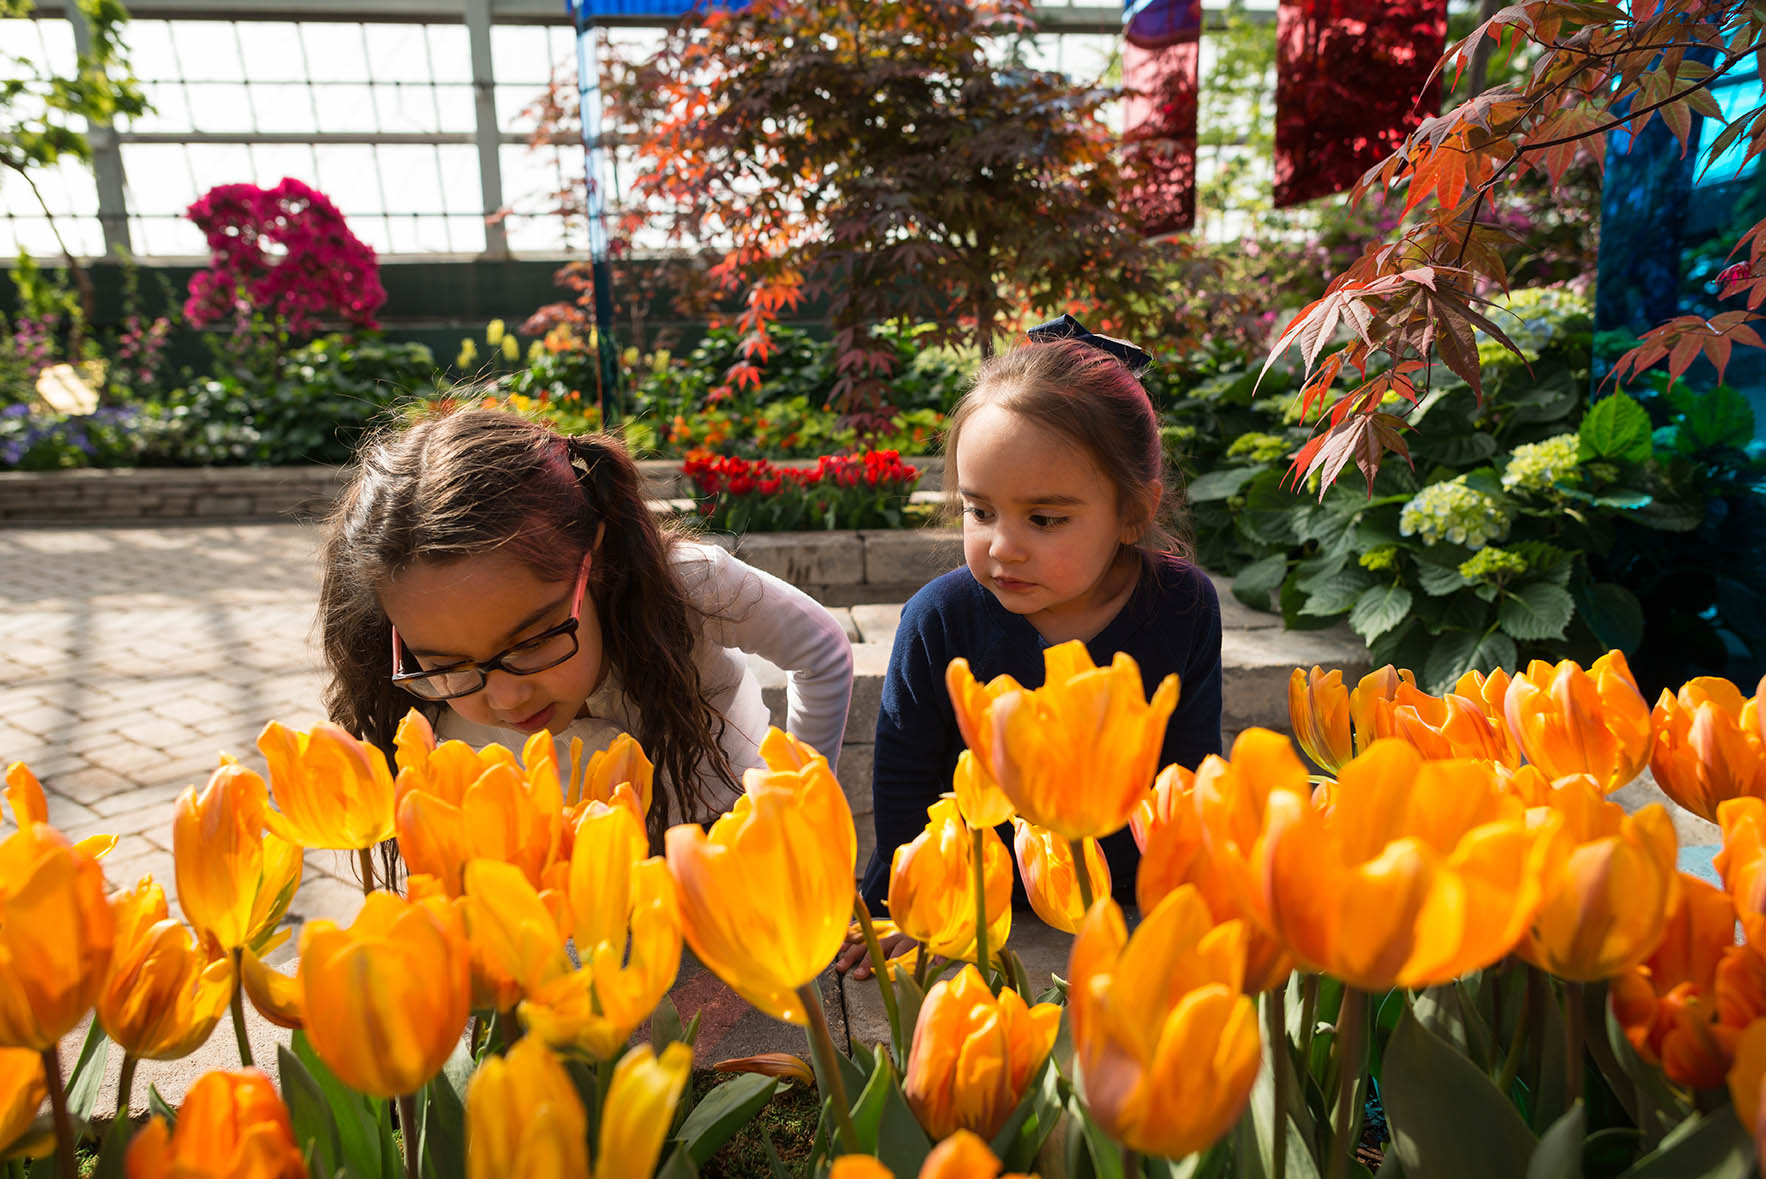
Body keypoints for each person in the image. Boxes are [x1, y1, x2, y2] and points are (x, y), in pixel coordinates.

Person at [838, 315, 1223, 977]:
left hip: (1125, 893)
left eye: (1044, 519)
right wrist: (922, 905)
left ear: (1134, 511)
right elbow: (904, 776)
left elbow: (1188, 771)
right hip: (975, 895)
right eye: (980, 510)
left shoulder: (1181, 604)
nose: (1002, 545)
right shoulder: (941, 617)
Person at [317, 407, 854, 843]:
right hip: (576, 856)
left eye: (531, 641)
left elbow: (822, 650)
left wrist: (800, 800)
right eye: (448, 666)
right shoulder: (419, 697)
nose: (504, 700)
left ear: (592, 560)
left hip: (731, 823)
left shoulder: (690, 585)